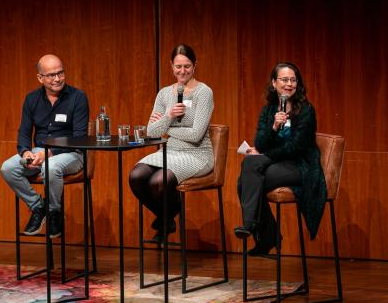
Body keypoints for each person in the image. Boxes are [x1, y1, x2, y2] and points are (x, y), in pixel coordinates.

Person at [233, 62, 326, 256]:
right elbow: (260, 141)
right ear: (274, 83)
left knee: (246, 182)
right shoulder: (269, 111)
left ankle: (256, 229)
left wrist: (264, 155)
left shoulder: (306, 110)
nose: (289, 84)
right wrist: (274, 127)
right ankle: (263, 232)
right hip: (276, 161)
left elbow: (296, 147)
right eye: (284, 80)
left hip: (300, 165)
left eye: (293, 80)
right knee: (249, 168)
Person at [129, 44, 214, 244]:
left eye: (186, 66)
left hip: (197, 154)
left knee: (158, 181)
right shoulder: (164, 94)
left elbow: (196, 135)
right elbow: (151, 132)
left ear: (194, 65)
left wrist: (168, 130)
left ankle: (166, 218)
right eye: (178, 67)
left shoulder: (204, 92)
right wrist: (168, 115)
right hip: (169, 150)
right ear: (171, 66)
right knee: (136, 176)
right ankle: (168, 217)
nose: (182, 71)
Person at [0, 54, 89, 239]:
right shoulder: (32, 99)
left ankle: (54, 212)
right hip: (39, 152)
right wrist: (25, 152)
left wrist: (48, 153)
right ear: (40, 78)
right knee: (7, 168)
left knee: (51, 166)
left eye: (60, 73)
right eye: (51, 75)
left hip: (72, 153)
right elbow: (24, 132)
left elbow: (79, 138)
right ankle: (38, 207)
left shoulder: (77, 97)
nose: (57, 79)